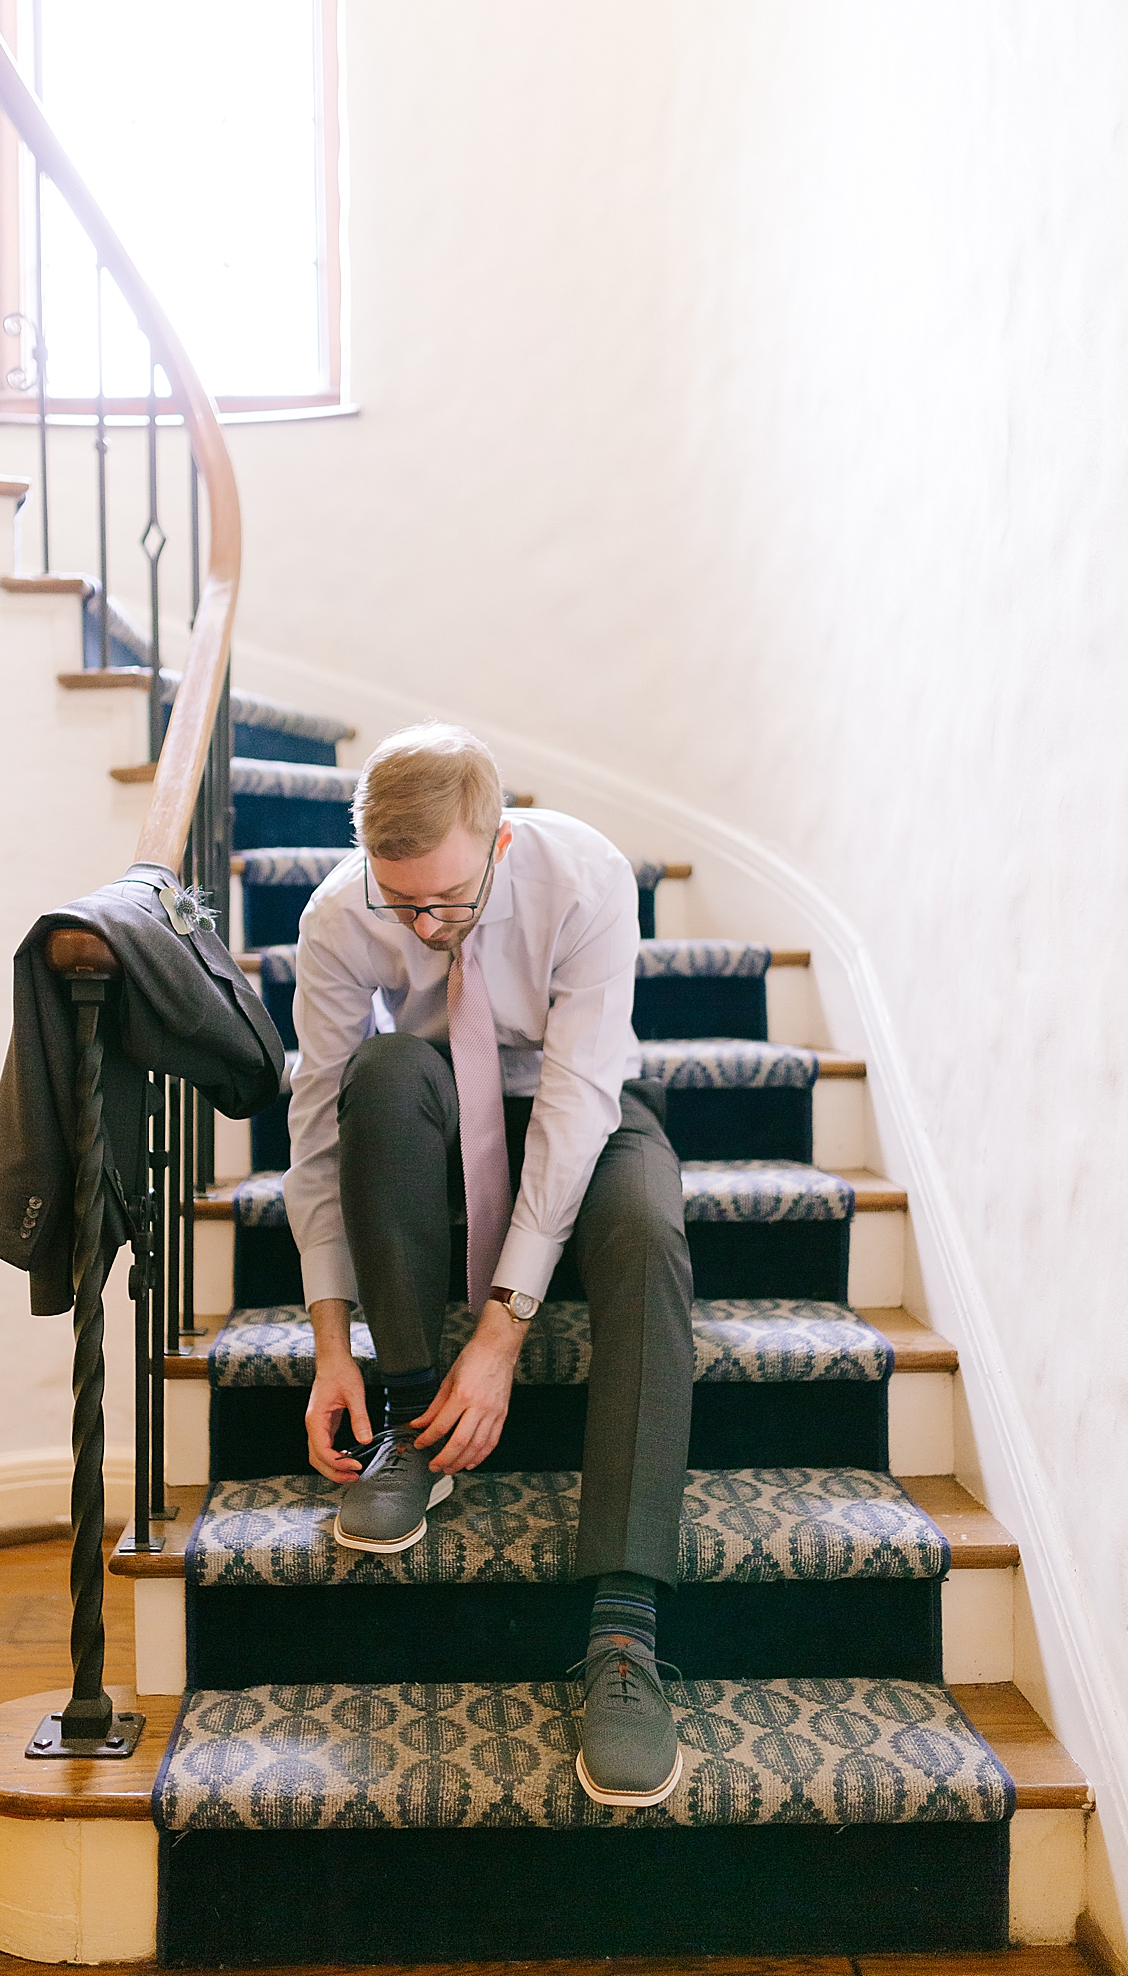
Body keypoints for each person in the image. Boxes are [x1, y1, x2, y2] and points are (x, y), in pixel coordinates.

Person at [285, 722, 694, 1808]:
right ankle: (414, 1418)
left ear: (499, 841)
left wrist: (505, 1330)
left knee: (651, 1230)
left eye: (450, 900)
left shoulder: (586, 875)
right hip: (430, 1104)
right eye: (400, 900)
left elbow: (574, 1103)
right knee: (375, 1073)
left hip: (578, 1103)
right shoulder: (337, 916)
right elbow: (317, 1136)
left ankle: (623, 1629)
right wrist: (336, 1345)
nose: (425, 925)